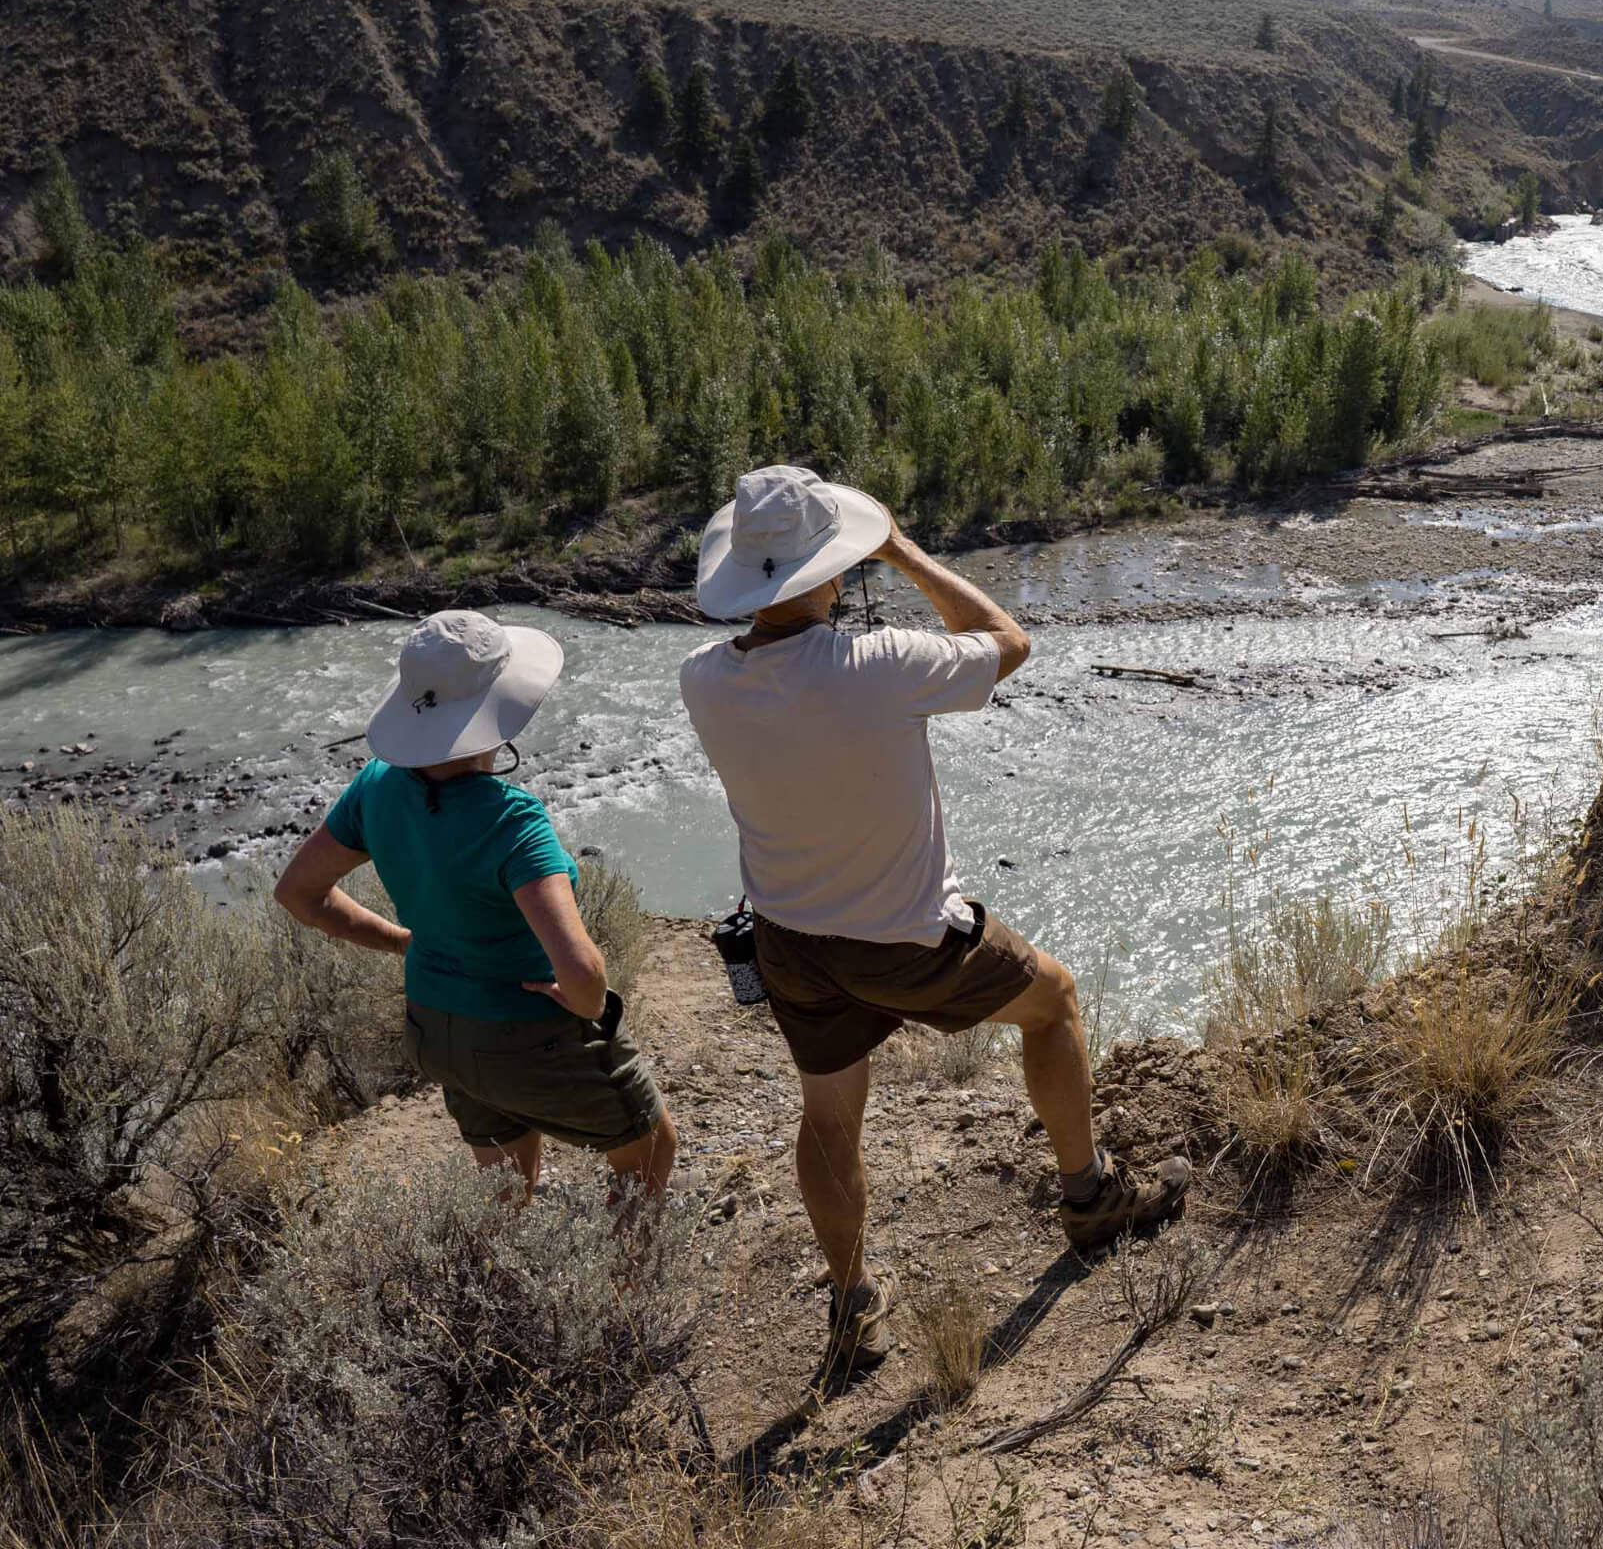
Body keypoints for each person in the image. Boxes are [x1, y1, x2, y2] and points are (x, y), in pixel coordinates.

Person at [679, 465, 1188, 1384]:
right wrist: (904, 550)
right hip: (907, 939)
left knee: (830, 1116)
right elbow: (1006, 639)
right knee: (1053, 999)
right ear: (830, 567)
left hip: (790, 940)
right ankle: (1089, 1197)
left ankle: (850, 1305)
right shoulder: (878, 666)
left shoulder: (703, 680)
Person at [274, 610, 677, 1204]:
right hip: (524, 1034)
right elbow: (584, 972)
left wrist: (400, 941)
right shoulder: (513, 821)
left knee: (505, 1184)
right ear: (501, 705)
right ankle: (623, 1294)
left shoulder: (377, 784)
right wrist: (587, 1004)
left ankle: (499, 1287)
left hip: (435, 1029)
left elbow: (298, 893)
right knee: (650, 1144)